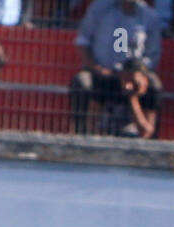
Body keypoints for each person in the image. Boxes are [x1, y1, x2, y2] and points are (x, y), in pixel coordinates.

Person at [69, 0, 163, 137]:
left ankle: (151, 139)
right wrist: (97, 68)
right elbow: (82, 41)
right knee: (81, 82)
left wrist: (138, 72)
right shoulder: (99, 8)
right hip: (101, 73)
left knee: (154, 85)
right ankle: (80, 135)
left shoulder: (149, 16)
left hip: (134, 75)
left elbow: (152, 55)